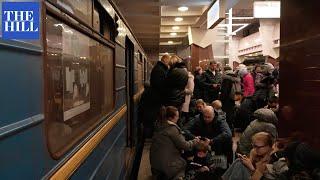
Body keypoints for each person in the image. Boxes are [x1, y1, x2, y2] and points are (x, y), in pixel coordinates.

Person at [150, 106, 199, 180]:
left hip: (154, 164)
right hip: (167, 165)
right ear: (170, 118)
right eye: (177, 116)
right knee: (184, 163)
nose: (178, 118)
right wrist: (195, 141)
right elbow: (185, 146)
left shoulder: (159, 125)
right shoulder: (172, 128)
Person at [139, 55, 170, 138]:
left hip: (154, 99)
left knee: (150, 119)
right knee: (150, 119)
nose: (169, 64)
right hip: (155, 99)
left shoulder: (158, 68)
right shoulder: (160, 70)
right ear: (165, 60)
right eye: (169, 62)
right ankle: (148, 136)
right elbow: (159, 85)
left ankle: (149, 135)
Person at [220, 66, 241, 132]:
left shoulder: (226, 78)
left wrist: (221, 99)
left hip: (227, 100)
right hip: (233, 98)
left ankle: (228, 131)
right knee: (231, 114)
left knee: (227, 116)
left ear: (224, 70)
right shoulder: (234, 77)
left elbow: (224, 91)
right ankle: (231, 130)